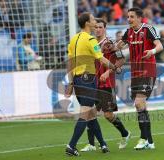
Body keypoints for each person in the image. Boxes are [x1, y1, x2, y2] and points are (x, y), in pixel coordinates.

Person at [65, 12, 120, 156]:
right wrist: (114, 67)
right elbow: (101, 58)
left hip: (77, 80)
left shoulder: (74, 39)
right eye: (92, 19)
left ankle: (102, 144)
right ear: (88, 23)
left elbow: (70, 63)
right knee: (85, 113)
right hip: (88, 79)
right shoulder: (90, 39)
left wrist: (70, 82)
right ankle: (71, 146)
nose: (95, 20)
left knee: (90, 114)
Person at [116, 7, 163, 150]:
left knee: (138, 102)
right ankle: (150, 141)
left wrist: (152, 51)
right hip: (135, 72)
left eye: (131, 17)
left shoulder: (148, 29)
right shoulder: (128, 32)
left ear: (139, 18)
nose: (128, 19)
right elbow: (118, 47)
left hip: (148, 70)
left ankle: (142, 139)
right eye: (128, 16)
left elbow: (160, 46)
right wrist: (112, 49)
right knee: (140, 107)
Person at [80, 18, 131, 152]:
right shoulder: (90, 42)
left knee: (108, 115)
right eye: (95, 27)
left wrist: (108, 72)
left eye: (100, 27)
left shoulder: (109, 43)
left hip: (106, 82)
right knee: (90, 113)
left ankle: (125, 133)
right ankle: (91, 144)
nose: (97, 29)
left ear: (105, 28)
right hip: (93, 82)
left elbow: (121, 59)